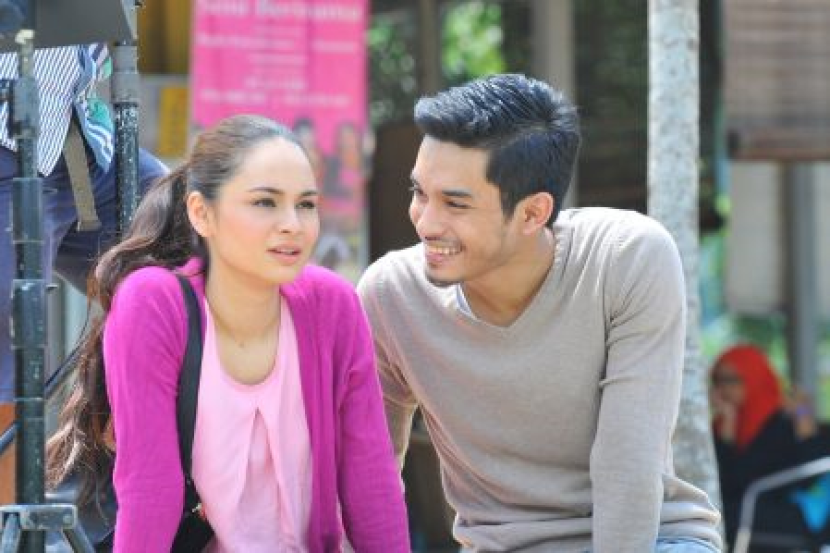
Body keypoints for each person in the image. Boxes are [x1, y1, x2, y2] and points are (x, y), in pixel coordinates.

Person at [356, 73, 722, 552]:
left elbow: (627, 466)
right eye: (419, 193)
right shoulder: (390, 296)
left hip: (650, 540)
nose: (425, 221)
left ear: (532, 213)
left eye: (455, 204)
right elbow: (370, 469)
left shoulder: (625, 259)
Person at [45, 114, 410, 551]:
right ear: (202, 213)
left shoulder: (332, 304)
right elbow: (149, 488)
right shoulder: (154, 302)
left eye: (306, 204)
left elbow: (371, 480)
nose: (293, 224)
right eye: (265, 202)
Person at [0, 43, 167, 499]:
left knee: (191, 243)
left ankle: (136, 467)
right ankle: (10, 517)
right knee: (11, 321)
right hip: (7, 135)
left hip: (82, 139)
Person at [711, 344, 830, 550]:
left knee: (715, 516)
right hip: (748, 506)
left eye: (732, 380)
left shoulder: (782, 421)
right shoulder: (723, 424)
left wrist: (803, 419)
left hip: (790, 510)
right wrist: (728, 429)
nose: (724, 388)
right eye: (718, 380)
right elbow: (723, 483)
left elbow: (809, 473)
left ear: (754, 378)